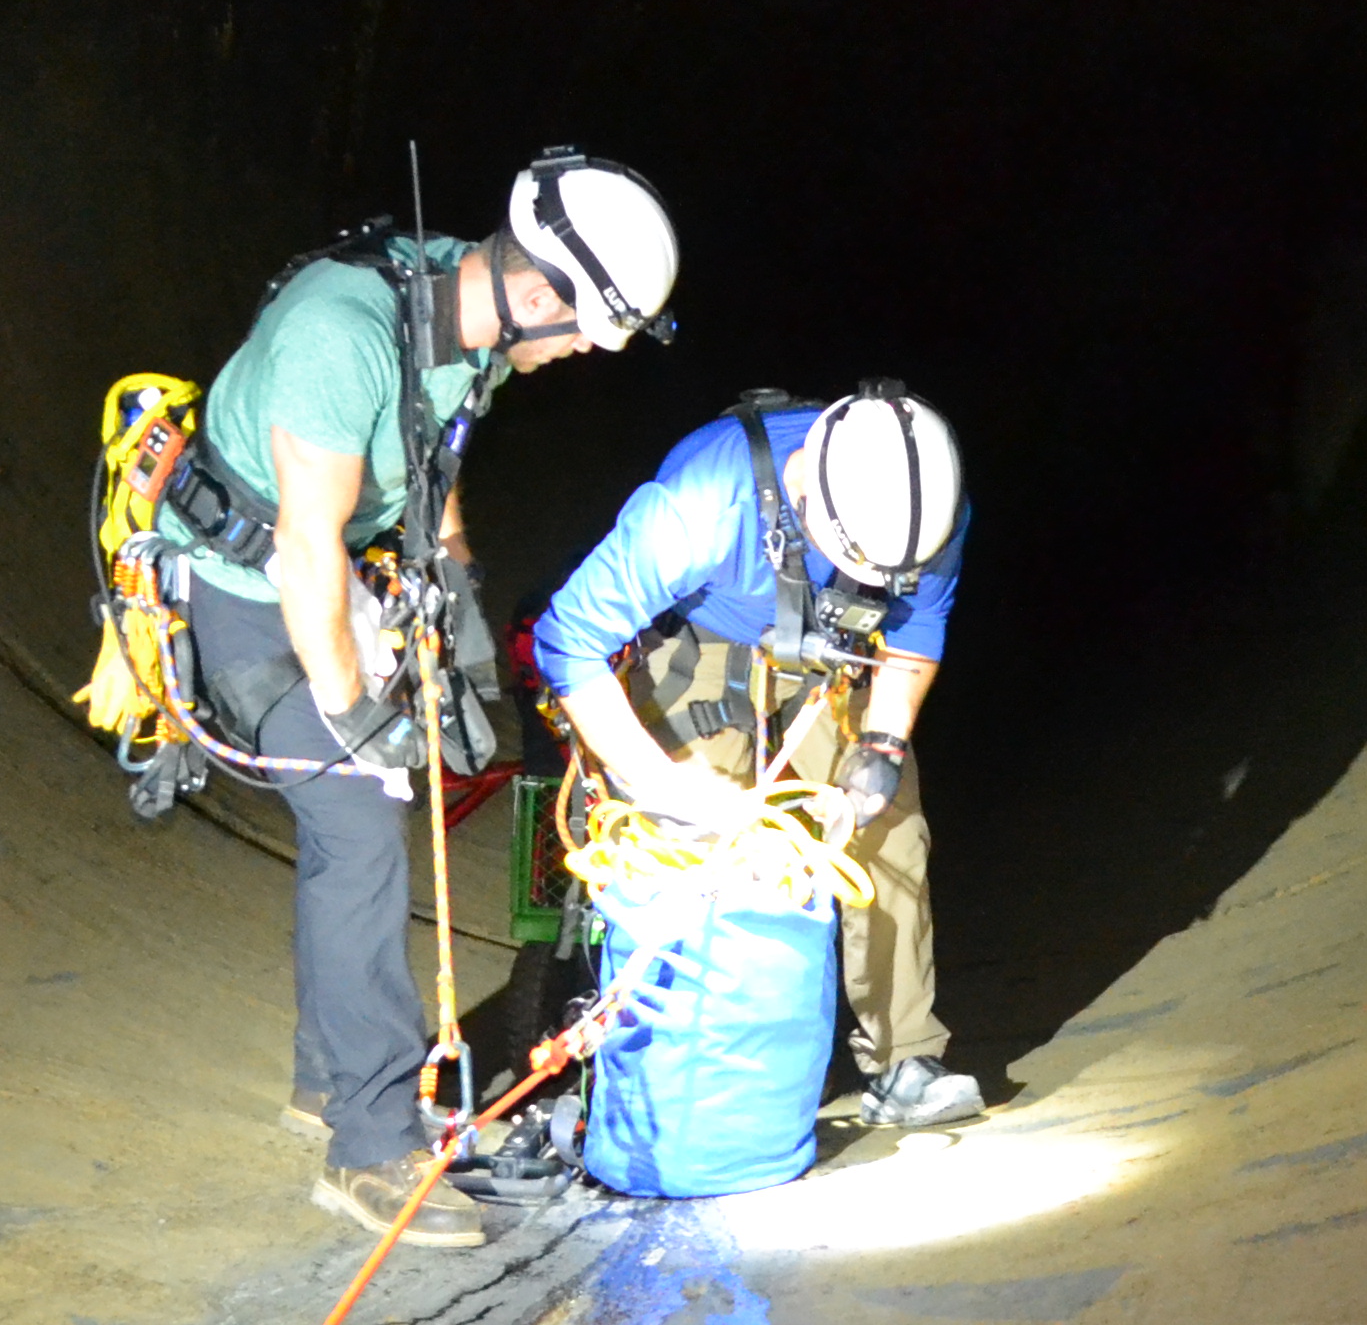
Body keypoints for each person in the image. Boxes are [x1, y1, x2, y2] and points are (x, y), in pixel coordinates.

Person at [166, 150, 679, 1244]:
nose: (586, 351)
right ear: (539, 290)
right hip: (246, 589)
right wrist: (362, 719)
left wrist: (466, 626)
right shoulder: (340, 336)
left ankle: (326, 1078)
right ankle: (370, 1143)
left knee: (361, 817)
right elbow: (305, 556)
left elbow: (430, 471)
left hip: (331, 566)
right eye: (585, 330)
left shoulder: (464, 321)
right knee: (362, 823)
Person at [530, 383, 981, 1129]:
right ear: (806, 490)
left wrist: (883, 741)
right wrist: (666, 786)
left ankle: (904, 1060)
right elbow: (567, 640)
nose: (876, 576)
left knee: (888, 827)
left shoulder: (925, 506)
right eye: (860, 559)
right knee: (703, 850)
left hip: (836, 645)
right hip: (706, 636)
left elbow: (917, 627)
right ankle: (694, 1082)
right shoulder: (700, 508)